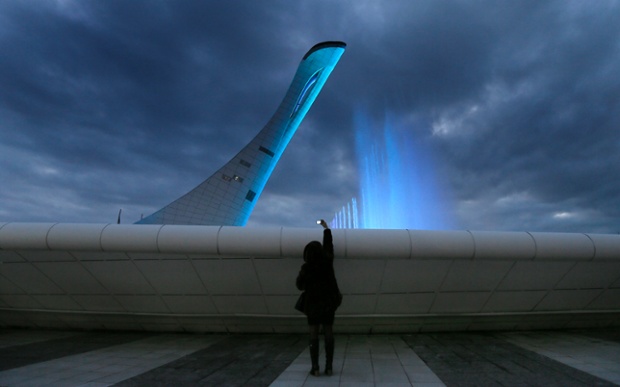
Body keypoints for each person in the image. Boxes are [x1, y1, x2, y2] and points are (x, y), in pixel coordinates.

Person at [296, 219, 341, 376]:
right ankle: (329, 367)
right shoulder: (327, 262)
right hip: (328, 302)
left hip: (313, 304)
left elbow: (299, 286)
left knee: (313, 332)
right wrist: (326, 228)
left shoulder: (306, 268)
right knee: (328, 330)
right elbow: (329, 245)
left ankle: (315, 367)